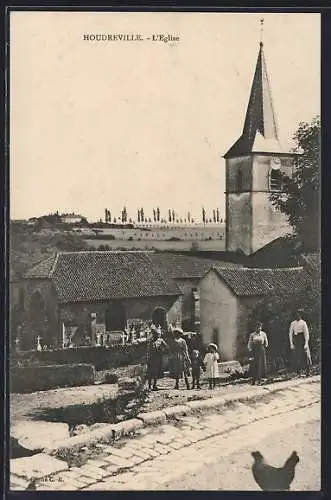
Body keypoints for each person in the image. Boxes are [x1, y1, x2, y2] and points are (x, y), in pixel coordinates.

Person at [289, 310, 312, 377]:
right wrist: (291, 343)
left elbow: (306, 333)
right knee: (297, 356)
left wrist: (306, 343)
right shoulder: (292, 323)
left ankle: (308, 372)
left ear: (300, 315)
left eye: (298, 315)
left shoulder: (303, 323)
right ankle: (298, 373)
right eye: (296, 315)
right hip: (296, 340)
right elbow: (290, 334)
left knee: (306, 355)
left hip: (302, 339)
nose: (297, 316)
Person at [146, 326, 168, 391]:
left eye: (158, 334)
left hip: (158, 358)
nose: (157, 335)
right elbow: (148, 350)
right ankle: (149, 386)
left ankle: (154, 385)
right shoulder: (150, 341)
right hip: (151, 358)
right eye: (156, 334)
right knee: (150, 373)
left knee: (156, 373)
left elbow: (167, 347)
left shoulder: (161, 340)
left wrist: (162, 350)